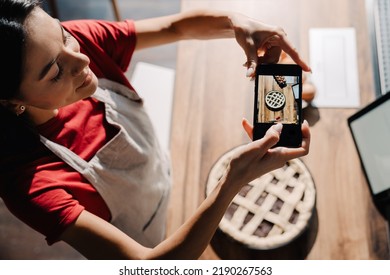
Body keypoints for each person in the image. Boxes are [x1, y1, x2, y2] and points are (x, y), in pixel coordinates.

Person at [0, 0, 311, 259]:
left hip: (164, 174)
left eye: (63, 34)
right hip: (155, 243)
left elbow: (174, 28)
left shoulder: (79, 42)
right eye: (55, 71)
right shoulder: (30, 184)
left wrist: (237, 21)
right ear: (13, 102)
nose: (82, 59)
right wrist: (232, 182)